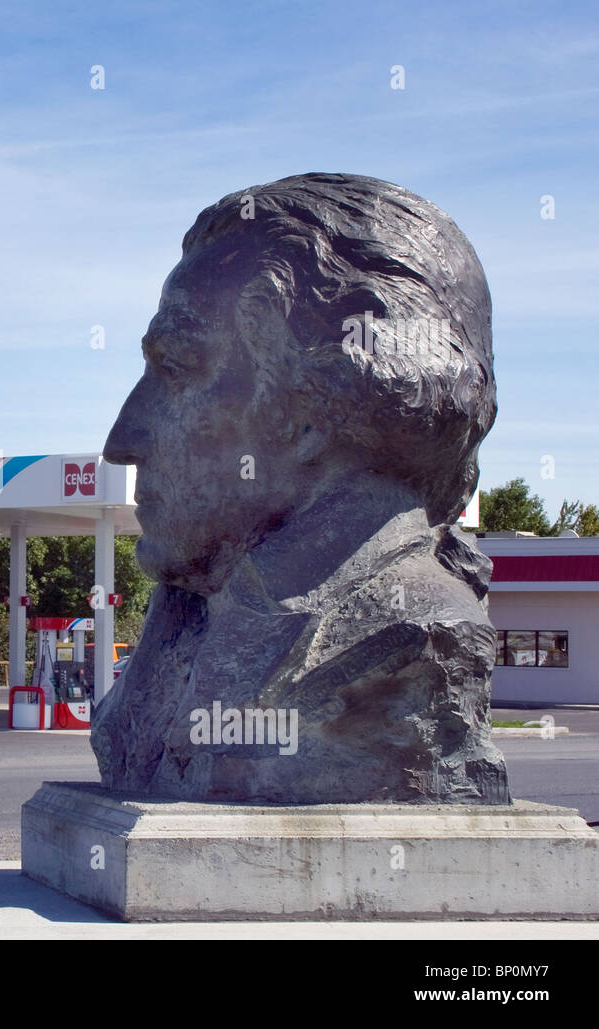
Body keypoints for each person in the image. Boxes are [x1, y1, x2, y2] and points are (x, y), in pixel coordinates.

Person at [93, 173, 509, 804]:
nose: (121, 439)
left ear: (315, 408)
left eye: (174, 369)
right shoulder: (194, 603)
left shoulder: (409, 636)